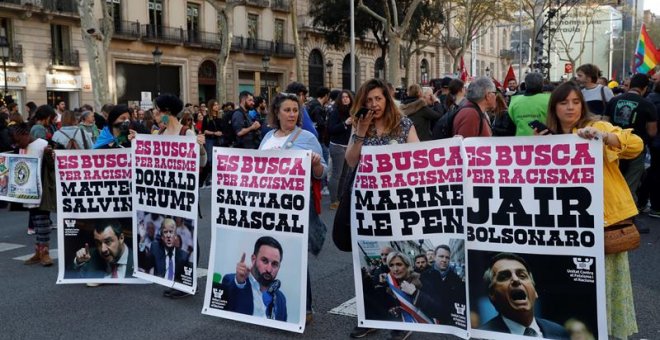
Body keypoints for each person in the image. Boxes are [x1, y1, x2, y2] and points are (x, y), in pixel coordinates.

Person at [540, 81, 641, 339]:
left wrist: (606, 138)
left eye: (575, 101)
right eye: (564, 102)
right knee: (574, 289)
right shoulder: (546, 137)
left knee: (604, 289)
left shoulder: (596, 127)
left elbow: (636, 144)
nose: (570, 107)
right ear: (555, 107)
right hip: (567, 227)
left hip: (603, 225)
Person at [345, 78, 418, 339]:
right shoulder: (358, 125)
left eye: (378, 98)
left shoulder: (402, 125)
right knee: (369, 263)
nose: (374, 104)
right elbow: (351, 161)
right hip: (367, 206)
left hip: (397, 204)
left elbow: (419, 158)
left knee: (397, 260)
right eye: (368, 101)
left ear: (387, 99)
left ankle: (403, 319)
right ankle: (370, 316)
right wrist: (362, 130)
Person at [258, 93, 327, 323]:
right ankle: (269, 303)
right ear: (276, 113)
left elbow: (322, 173)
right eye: (287, 110)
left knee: (296, 254)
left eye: (295, 110)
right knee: (270, 252)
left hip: (293, 206)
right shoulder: (268, 136)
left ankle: (305, 308)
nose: (291, 114)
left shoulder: (307, 137)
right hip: (268, 205)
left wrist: (317, 164)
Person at [603, 73, 658, 217]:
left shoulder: (614, 101)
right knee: (629, 186)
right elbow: (652, 132)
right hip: (635, 151)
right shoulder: (647, 104)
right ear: (645, 88)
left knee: (613, 183)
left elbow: (604, 123)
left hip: (612, 149)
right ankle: (628, 219)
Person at [480, 252, 569, 339]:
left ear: (535, 292)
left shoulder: (559, 332)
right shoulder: (481, 337)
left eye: (522, 276)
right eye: (504, 277)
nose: (515, 279)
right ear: (492, 294)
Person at [8, 120, 56, 266]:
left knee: (42, 220)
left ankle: (45, 252)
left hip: (42, 190)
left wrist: (49, 154)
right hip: (27, 190)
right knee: (36, 220)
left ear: (25, 134)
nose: (17, 145)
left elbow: (53, 165)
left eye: (17, 141)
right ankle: (39, 251)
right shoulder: (23, 147)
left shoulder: (43, 144)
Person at [220, 236, 287, 321]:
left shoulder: (281, 298)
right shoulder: (233, 280)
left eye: (274, 264)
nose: (269, 269)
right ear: (253, 259)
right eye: (264, 261)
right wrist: (239, 282)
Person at [381, 252, 442, 324]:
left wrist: (415, 293)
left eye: (399, 264)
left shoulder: (421, 279)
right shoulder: (390, 283)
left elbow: (438, 308)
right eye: (391, 265)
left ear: (407, 266)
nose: (395, 269)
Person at [326, 90, 353, 210]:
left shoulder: (353, 111)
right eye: (343, 97)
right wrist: (345, 123)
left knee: (345, 174)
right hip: (337, 146)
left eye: (348, 97)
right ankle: (333, 201)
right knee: (337, 174)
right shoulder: (335, 111)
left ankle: (340, 197)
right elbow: (331, 129)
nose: (346, 99)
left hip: (349, 145)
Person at [141, 218, 190, 282]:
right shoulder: (155, 249)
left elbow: (187, 281)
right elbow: (145, 265)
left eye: (171, 232)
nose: (168, 235)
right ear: (162, 237)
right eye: (165, 232)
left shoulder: (184, 256)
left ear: (175, 236)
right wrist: (141, 241)